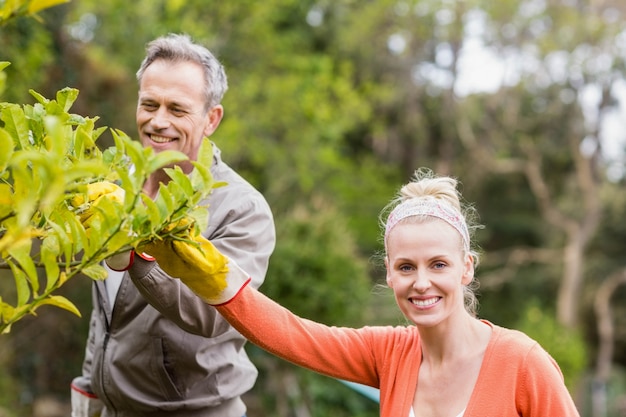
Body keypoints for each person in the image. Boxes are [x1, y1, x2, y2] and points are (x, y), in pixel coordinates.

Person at [141, 168, 580, 417]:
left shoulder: (523, 362)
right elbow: (292, 335)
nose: (421, 282)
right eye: (406, 267)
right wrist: (203, 273)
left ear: (466, 268)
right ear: (389, 274)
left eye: (439, 265)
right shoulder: (388, 352)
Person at [70, 33, 276, 417]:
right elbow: (107, 312)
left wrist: (136, 258)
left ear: (211, 118)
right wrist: (88, 389)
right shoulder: (115, 185)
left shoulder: (242, 209)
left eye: (177, 109)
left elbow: (215, 314)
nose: (157, 121)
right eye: (149, 104)